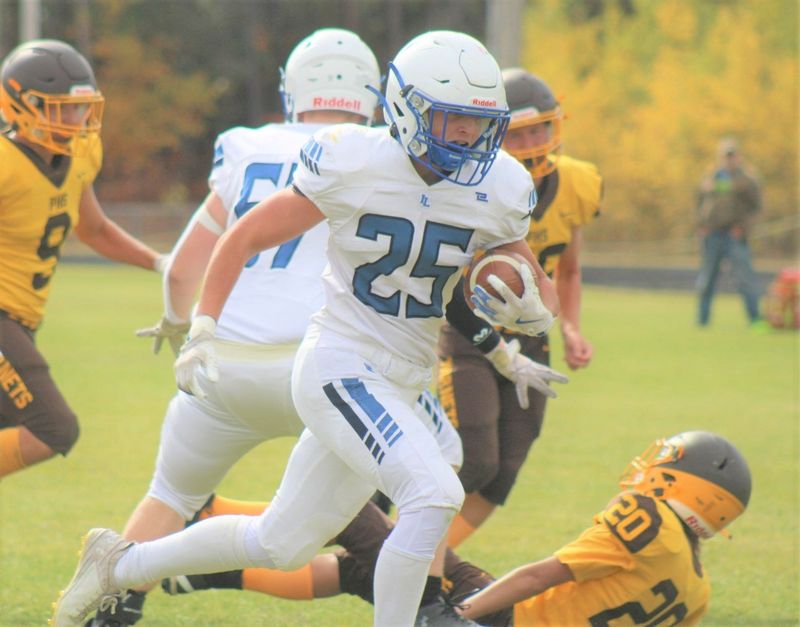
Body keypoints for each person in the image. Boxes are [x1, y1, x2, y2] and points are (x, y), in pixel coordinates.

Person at [52, 30, 567, 627]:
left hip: (402, 376)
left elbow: (536, 283)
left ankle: (117, 566)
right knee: (433, 494)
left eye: (479, 123)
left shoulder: (498, 184)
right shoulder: (355, 159)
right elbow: (244, 236)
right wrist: (203, 327)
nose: (468, 136)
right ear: (406, 108)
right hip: (341, 363)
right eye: (451, 120)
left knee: (280, 543)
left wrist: (533, 312)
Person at [165, 430, 752, 627]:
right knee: (363, 570)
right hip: (506, 616)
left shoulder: (648, 521)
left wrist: (454, 612)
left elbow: (541, 574)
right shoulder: (696, 590)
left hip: (496, 615)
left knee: (365, 518)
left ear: (686, 485)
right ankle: (202, 575)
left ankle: (211, 515)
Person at [438, 68, 603, 548]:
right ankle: (375, 536)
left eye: (541, 128)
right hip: (469, 334)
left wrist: (570, 328)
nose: (533, 142)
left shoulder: (575, 182)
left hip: (531, 338)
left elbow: (567, 270)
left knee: (504, 471)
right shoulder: (470, 184)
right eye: (519, 132)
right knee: (474, 460)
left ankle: (431, 557)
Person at [0, 39, 165, 481]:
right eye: (60, 109)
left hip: (23, 322)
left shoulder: (79, 156)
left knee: (18, 434)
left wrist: (160, 264)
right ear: (20, 104)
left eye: (80, 108)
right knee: (53, 429)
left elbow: (93, 229)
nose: (74, 120)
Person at [696, 137, 763, 328]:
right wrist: (702, 225)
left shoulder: (747, 181)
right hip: (712, 235)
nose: (729, 160)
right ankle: (702, 321)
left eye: (732, 156)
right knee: (707, 279)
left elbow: (756, 208)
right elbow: (699, 204)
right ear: (720, 158)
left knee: (744, 278)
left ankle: (755, 319)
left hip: (735, 235)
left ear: (738, 157)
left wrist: (742, 228)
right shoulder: (710, 178)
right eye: (726, 156)